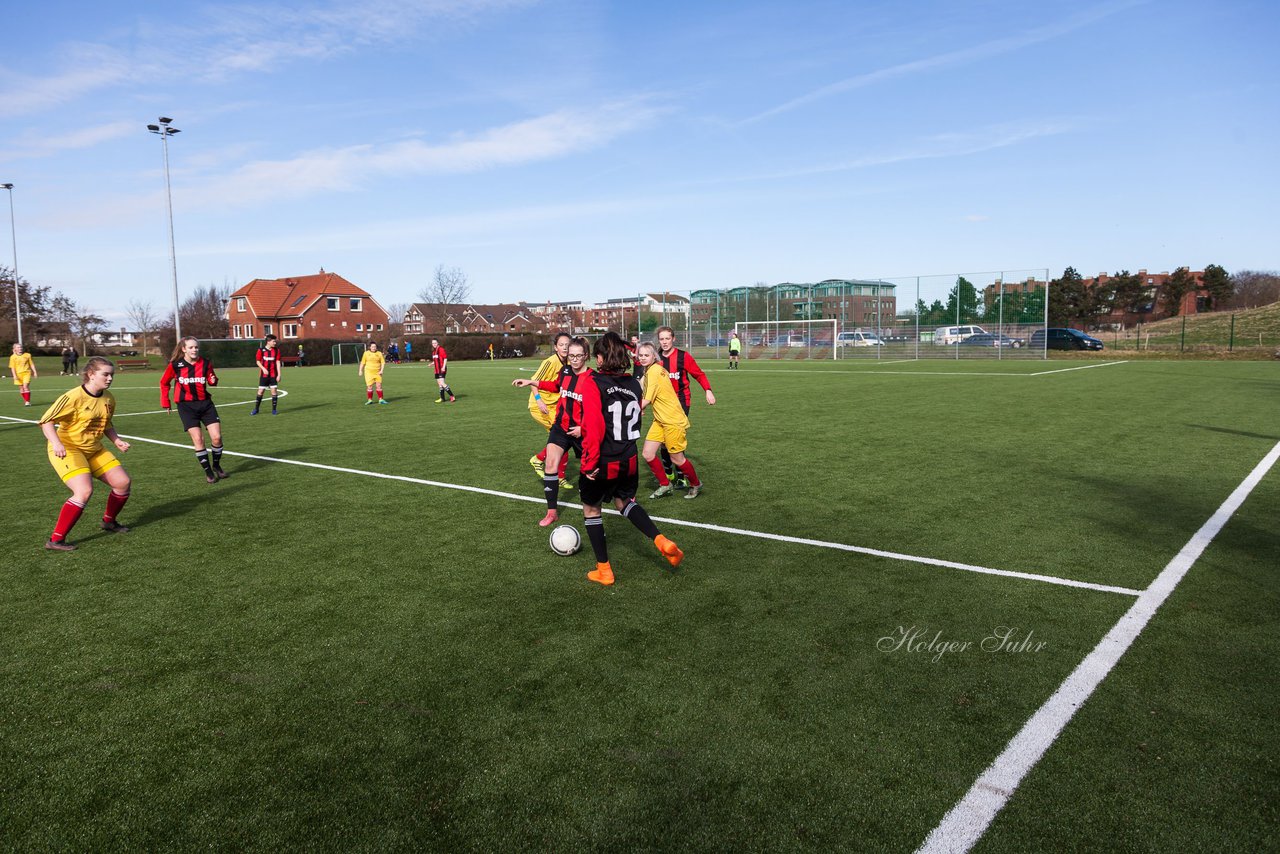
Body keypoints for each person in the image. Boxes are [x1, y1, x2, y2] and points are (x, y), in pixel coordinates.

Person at [575, 332, 683, 586]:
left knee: (591, 510)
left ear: (599, 358)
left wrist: (589, 464)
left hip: (603, 459)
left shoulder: (593, 382)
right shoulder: (635, 384)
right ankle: (661, 540)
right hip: (629, 457)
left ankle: (604, 571)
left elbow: (594, 427)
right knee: (624, 502)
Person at [38, 357, 133, 551]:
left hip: (93, 448)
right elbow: (46, 421)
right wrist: (56, 443)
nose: (109, 379)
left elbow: (106, 424)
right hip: (68, 448)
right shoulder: (73, 397)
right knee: (83, 491)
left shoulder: (108, 398)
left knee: (122, 483)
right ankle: (55, 540)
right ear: (91, 374)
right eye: (105, 374)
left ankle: (109, 522)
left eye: (111, 375)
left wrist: (117, 441)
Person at [512, 337, 591, 527]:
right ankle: (552, 512)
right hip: (561, 427)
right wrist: (531, 382)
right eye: (571, 355)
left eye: (578, 356)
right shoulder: (564, 371)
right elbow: (556, 386)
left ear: (586, 356)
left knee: (591, 472)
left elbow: (597, 410)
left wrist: (583, 427)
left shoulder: (592, 378)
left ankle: (607, 503)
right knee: (550, 466)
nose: (574, 359)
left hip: (582, 431)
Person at [636, 342, 703, 499]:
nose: (643, 358)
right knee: (648, 453)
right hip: (660, 420)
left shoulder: (654, 371)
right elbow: (641, 389)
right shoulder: (651, 370)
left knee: (676, 458)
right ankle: (665, 485)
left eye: (647, 355)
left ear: (654, 356)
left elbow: (646, 399)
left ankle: (695, 484)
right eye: (641, 355)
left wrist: (630, 409)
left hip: (672, 420)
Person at [160, 337, 229, 484]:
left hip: (205, 404)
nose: (194, 350)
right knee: (198, 439)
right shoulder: (175, 365)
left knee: (216, 437)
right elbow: (164, 383)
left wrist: (213, 380)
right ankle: (208, 471)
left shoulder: (205, 363)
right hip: (186, 407)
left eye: (196, 347)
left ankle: (216, 465)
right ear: (184, 349)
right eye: (191, 347)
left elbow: (212, 380)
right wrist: (166, 402)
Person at [655, 326, 715, 487]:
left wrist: (708, 391)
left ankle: (681, 476)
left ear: (673, 339)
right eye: (662, 339)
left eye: (668, 338)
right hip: (661, 404)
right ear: (659, 340)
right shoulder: (657, 358)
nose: (665, 342)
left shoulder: (683, 356)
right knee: (662, 441)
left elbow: (699, 374)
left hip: (681, 402)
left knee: (674, 439)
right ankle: (669, 474)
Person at [524, 332, 572, 487]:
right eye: (561, 345)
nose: (565, 347)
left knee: (561, 441)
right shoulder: (550, 362)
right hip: (541, 407)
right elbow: (533, 382)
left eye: (567, 344)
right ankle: (538, 460)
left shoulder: (570, 363)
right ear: (556, 347)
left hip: (555, 407)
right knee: (563, 436)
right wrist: (539, 401)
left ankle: (557, 475)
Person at [251, 334, 283, 415]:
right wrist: (263, 369)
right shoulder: (261, 350)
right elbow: (257, 361)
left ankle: (274, 410)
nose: (275, 343)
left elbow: (278, 362)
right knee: (261, 391)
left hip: (273, 375)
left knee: (274, 391)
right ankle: (256, 409)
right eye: (273, 341)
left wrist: (279, 374)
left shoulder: (276, 350)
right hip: (264, 375)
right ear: (268, 342)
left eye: (275, 341)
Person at [431, 338, 455, 403]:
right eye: (433, 343)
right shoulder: (434, 351)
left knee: (442, 383)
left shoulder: (441, 349)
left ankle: (452, 396)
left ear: (438, 343)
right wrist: (432, 363)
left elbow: (445, 358)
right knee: (439, 384)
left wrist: (443, 367)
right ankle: (442, 398)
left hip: (441, 369)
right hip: (436, 370)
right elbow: (435, 360)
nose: (434, 344)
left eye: (435, 343)